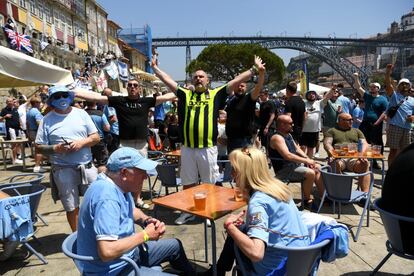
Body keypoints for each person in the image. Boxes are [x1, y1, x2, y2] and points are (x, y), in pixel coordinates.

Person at [152, 54, 266, 225]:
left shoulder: (215, 94)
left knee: (209, 182)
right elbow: (168, 81)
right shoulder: (184, 94)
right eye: (195, 77)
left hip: (207, 147)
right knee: (188, 182)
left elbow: (236, 81)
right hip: (188, 147)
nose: (198, 79)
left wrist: (253, 69)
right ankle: (188, 211)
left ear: (207, 81)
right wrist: (155, 69)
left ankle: (209, 211)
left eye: (201, 77)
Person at [77, 147, 195, 275]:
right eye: (141, 172)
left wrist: (147, 220)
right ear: (124, 173)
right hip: (114, 269)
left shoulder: (119, 185)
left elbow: (131, 210)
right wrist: (145, 235)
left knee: (175, 246)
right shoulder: (107, 198)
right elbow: (107, 251)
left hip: (127, 255)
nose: (146, 176)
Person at [204, 147, 310, 275]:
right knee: (241, 230)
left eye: (234, 170)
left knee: (236, 235)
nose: (231, 174)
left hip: (277, 268)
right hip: (301, 261)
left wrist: (229, 226)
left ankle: (219, 271)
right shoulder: (279, 188)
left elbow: (256, 253)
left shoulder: (258, 201)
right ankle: (219, 270)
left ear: (246, 172)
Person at [74, 78, 176, 209]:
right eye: (130, 85)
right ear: (127, 88)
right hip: (124, 144)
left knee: (139, 173)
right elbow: (97, 97)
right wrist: (75, 92)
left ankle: (137, 199)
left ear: (139, 88)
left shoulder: (146, 101)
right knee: (123, 173)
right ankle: (124, 199)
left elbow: (166, 97)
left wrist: (184, 91)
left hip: (141, 144)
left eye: (135, 85)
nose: (132, 87)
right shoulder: (120, 100)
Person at [36, 86, 100, 232]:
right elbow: (38, 147)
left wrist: (81, 143)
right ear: (51, 100)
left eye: (64, 95)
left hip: (87, 166)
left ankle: (98, 233)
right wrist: (56, 148)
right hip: (62, 169)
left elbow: (96, 137)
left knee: (96, 201)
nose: (61, 99)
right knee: (71, 206)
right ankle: (77, 237)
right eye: (57, 96)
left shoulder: (81, 113)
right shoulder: (47, 120)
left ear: (69, 97)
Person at [269, 115, 324, 209]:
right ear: (282, 125)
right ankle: (307, 199)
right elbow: (287, 155)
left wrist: (308, 159)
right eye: (290, 123)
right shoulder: (277, 138)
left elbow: (296, 148)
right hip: (284, 170)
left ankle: (324, 196)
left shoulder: (288, 135)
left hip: (294, 166)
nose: (293, 125)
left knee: (317, 167)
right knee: (310, 173)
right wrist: (306, 160)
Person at [323, 113, 371, 199]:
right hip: (339, 158)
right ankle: (339, 193)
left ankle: (365, 196)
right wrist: (332, 153)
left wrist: (362, 154)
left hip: (353, 158)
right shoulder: (332, 131)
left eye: (352, 119)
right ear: (340, 121)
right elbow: (327, 143)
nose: (352, 121)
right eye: (349, 120)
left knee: (365, 163)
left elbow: (365, 143)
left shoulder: (357, 131)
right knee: (335, 164)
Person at [225, 59, 266, 153]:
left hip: (243, 141)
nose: (240, 87)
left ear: (246, 87)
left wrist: (261, 73)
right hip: (231, 140)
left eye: (242, 86)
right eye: (238, 85)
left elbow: (259, 86)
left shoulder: (249, 98)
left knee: (244, 167)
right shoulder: (231, 101)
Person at [353, 73, 388, 168]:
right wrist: (356, 77)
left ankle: (375, 161)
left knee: (376, 142)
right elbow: (358, 87)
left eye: (374, 87)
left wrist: (377, 123)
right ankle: (362, 160)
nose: (372, 88)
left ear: (378, 89)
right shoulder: (367, 96)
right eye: (371, 86)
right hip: (365, 123)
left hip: (376, 124)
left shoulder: (383, 99)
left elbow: (385, 112)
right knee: (363, 141)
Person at [384, 64, 414, 165]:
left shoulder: (412, 100)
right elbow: (388, 85)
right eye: (402, 84)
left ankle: (401, 171)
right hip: (395, 126)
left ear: (410, 86)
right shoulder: (395, 96)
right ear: (398, 86)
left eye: (406, 84)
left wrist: (413, 117)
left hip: (407, 128)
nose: (404, 86)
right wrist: (388, 72)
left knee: (404, 152)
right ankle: (390, 172)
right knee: (393, 151)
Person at [300, 90, 334, 159]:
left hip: (314, 131)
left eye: (313, 94)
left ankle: (308, 163)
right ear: (307, 96)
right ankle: (301, 162)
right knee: (302, 148)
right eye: (310, 94)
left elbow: (327, 97)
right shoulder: (303, 103)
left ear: (316, 95)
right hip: (303, 130)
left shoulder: (319, 103)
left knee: (311, 148)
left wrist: (333, 89)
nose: (312, 95)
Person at [85, 101, 110, 172]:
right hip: (99, 140)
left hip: (86, 141)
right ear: (95, 104)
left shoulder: (82, 114)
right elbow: (107, 128)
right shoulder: (100, 114)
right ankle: (101, 180)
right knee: (102, 163)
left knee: (88, 163)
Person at [0, 97, 23, 164]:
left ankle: (17, 156)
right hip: (11, 129)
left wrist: (20, 124)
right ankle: (14, 159)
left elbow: (18, 118)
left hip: (18, 128)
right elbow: (0, 119)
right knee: (14, 144)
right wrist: (5, 116)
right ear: (6, 103)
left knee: (19, 143)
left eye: (11, 101)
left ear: (13, 102)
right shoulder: (4, 110)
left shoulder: (15, 109)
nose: (10, 102)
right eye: (8, 101)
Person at [26, 95, 45, 172]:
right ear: (36, 103)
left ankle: (38, 165)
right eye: (40, 102)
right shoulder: (36, 112)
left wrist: (28, 133)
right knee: (39, 149)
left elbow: (27, 123)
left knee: (37, 149)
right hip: (36, 131)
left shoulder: (29, 112)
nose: (41, 104)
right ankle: (37, 167)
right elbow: (39, 123)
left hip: (31, 131)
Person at [102, 88, 120, 154]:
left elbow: (113, 119)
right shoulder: (111, 104)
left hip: (113, 132)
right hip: (115, 131)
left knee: (112, 152)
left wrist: (105, 125)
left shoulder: (109, 104)